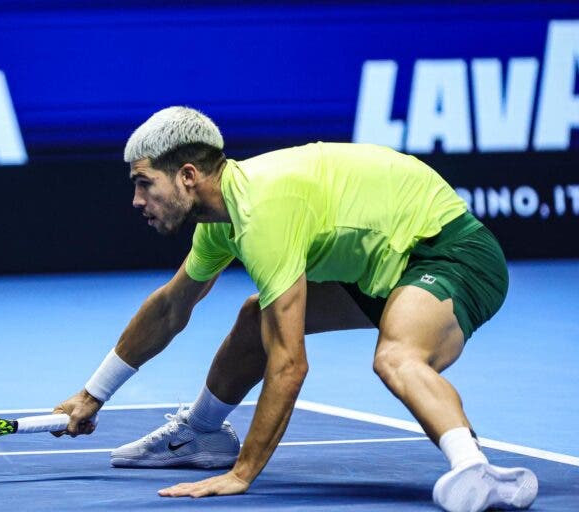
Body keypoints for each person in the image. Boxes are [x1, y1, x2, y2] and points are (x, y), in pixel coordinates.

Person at [52, 106, 538, 512]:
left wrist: (243, 474)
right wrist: (93, 394)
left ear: (187, 176)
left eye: (143, 184)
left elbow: (289, 362)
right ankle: (199, 435)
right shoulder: (222, 221)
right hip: (380, 266)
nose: (137, 200)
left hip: (449, 252)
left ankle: (476, 469)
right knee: (252, 318)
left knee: (396, 356)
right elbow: (169, 308)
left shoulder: (264, 212)